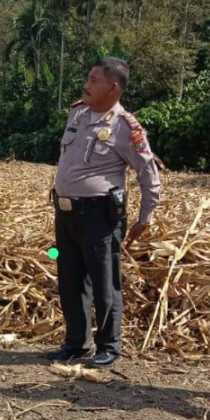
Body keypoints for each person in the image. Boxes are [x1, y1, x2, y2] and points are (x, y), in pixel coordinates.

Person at [48, 57, 162, 369]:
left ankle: (108, 346)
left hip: (100, 216)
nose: (87, 84)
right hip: (67, 212)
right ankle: (76, 343)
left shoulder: (125, 127)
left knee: (104, 282)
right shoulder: (78, 113)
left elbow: (148, 173)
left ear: (113, 88)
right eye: (88, 77)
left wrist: (146, 217)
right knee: (70, 279)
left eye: (94, 79)